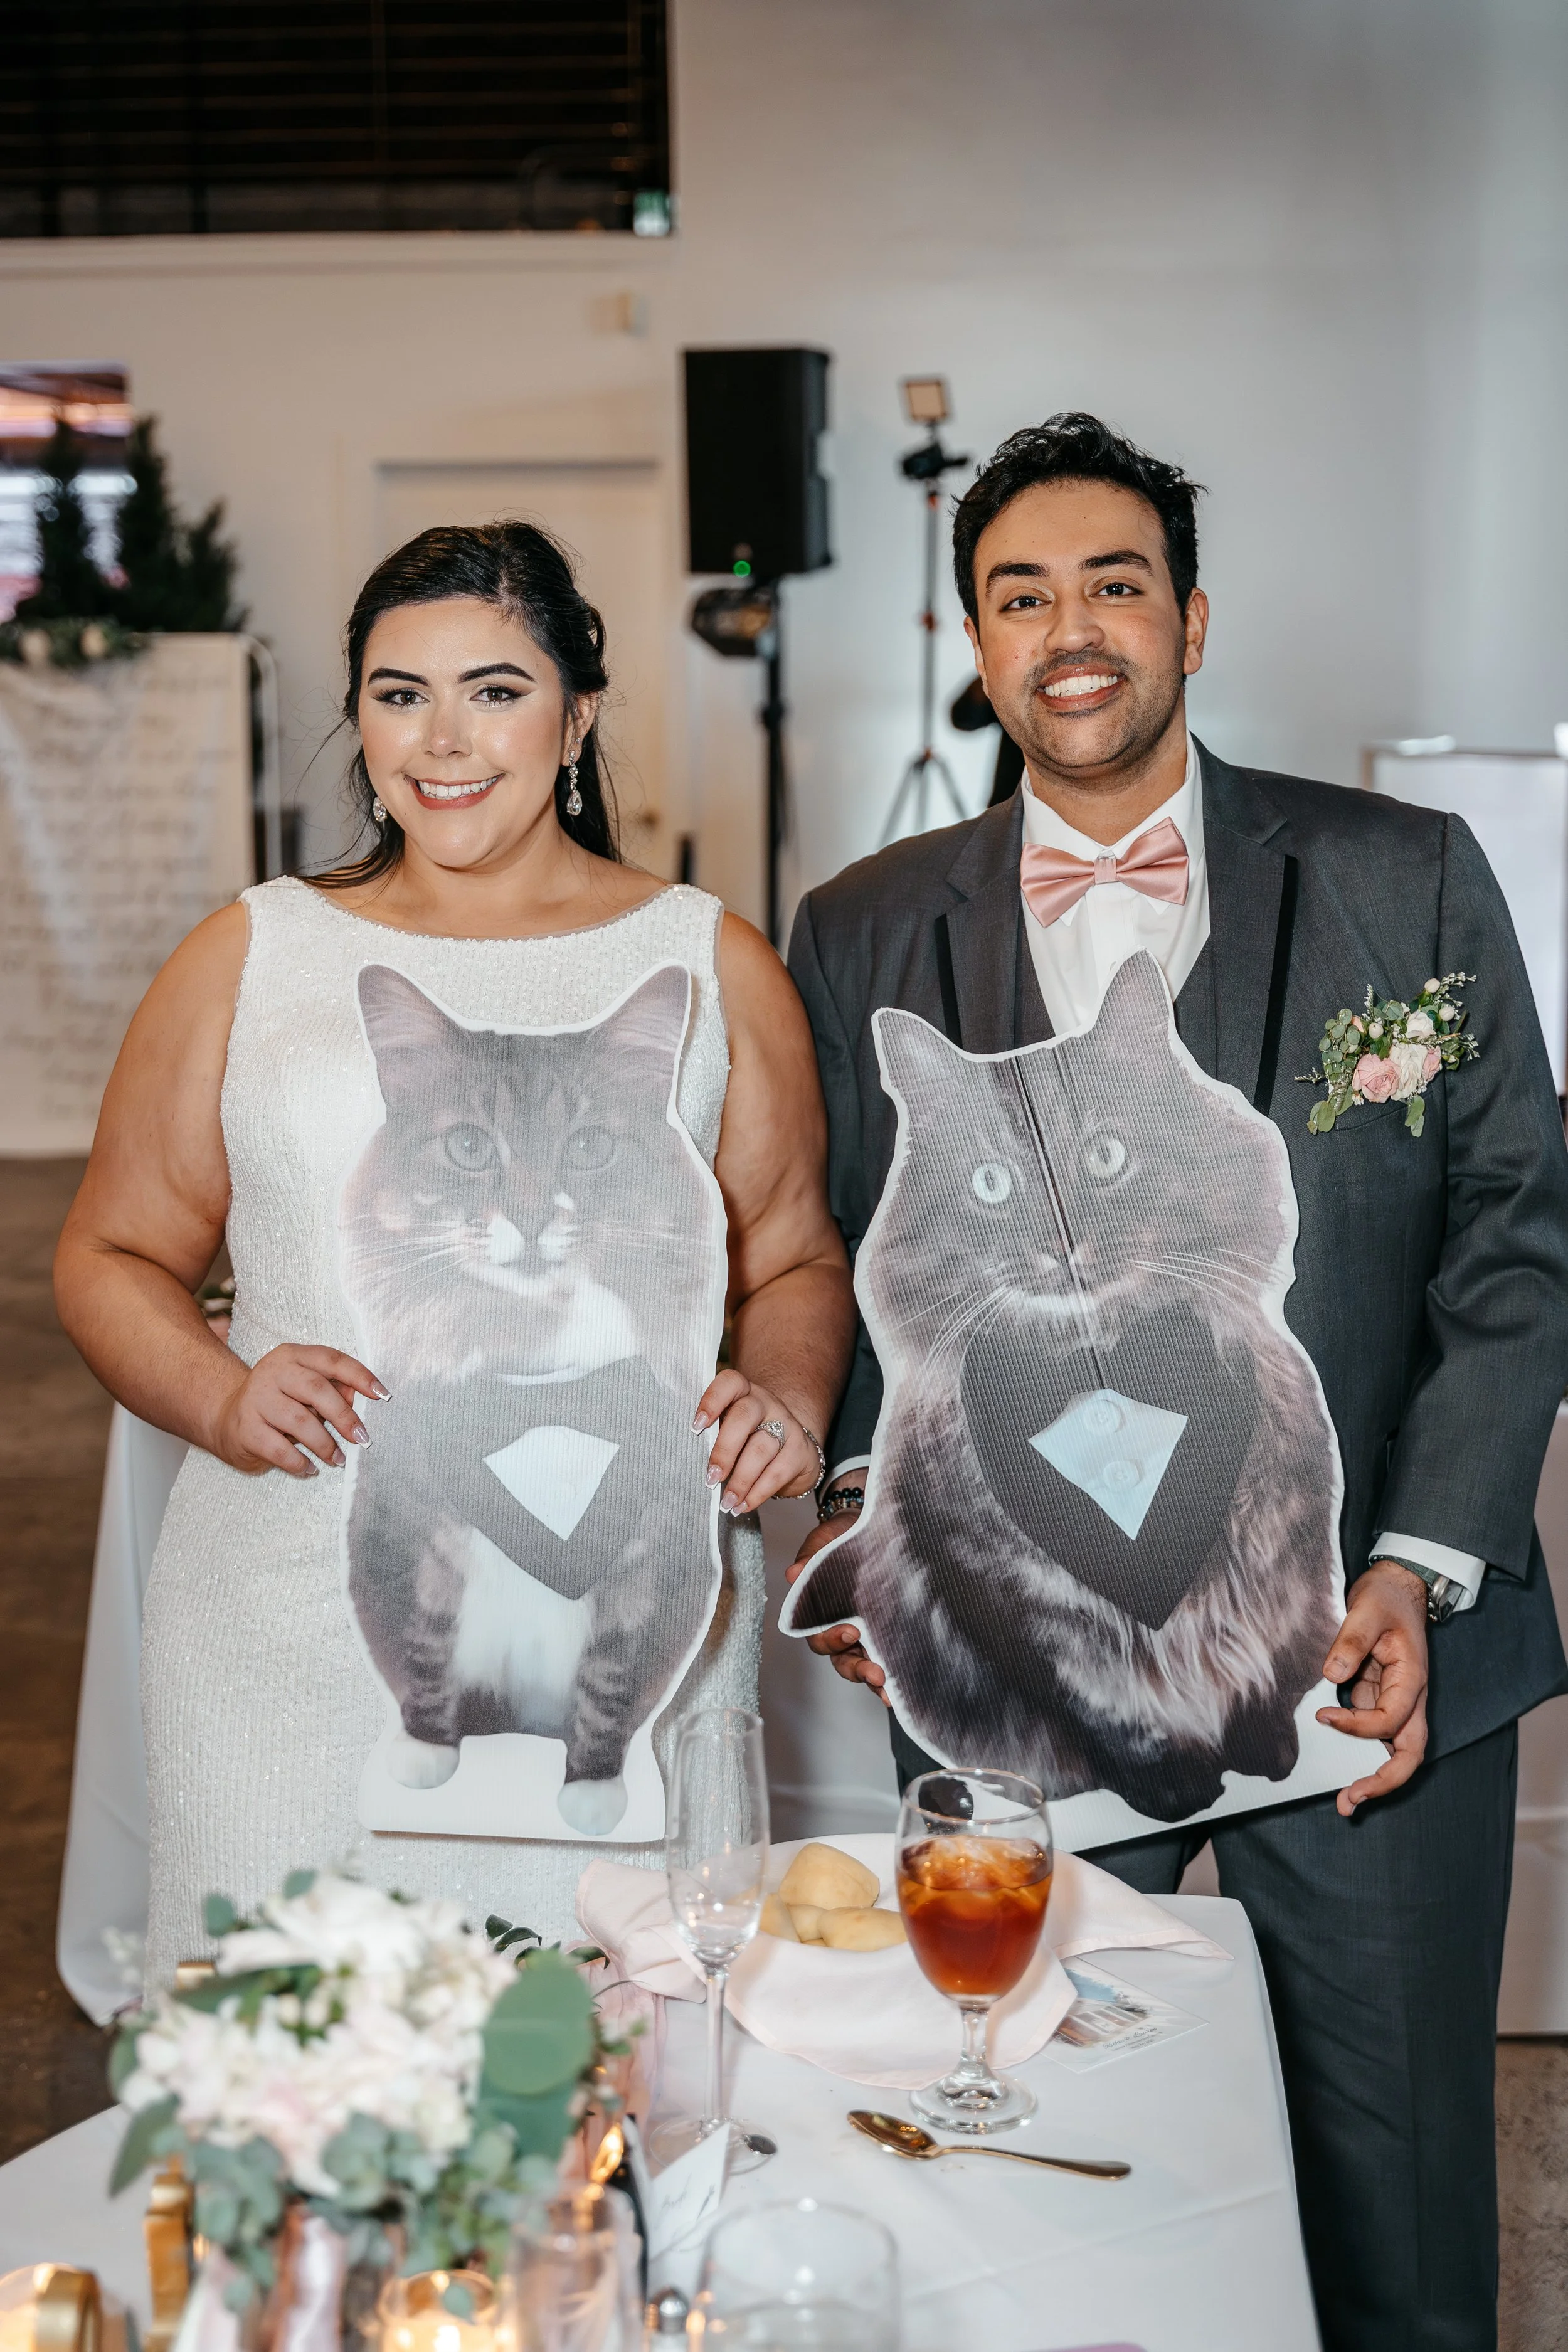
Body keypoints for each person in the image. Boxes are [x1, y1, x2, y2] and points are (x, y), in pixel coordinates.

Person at [786, 413, 1568, 2350]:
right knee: (1046, 2178)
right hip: (1015, 1673)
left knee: (1395, 2215)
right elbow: (830, 1260)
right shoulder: (860, 927)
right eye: (1019, 594)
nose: (1068, 630)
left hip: (1366, 1666)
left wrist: (1420, 1561)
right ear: (977, 642)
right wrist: (857, 1517)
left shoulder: (1404, 875)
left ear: (1191, 622)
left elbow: (1514, 1240)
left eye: (1113, 584)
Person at [56, 521, 854, 1982]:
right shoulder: (252, 955)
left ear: (577, 718)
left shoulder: (706, 964)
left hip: (623, 1617)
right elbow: (110, 1251)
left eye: (494, 691)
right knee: (288, 2054)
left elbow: (794, 1256)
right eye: (397, 693)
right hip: (295, 1612)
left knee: (611, 2059)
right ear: (358, 721)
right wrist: (221, 1398)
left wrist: (787, 1399)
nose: (442, 739)